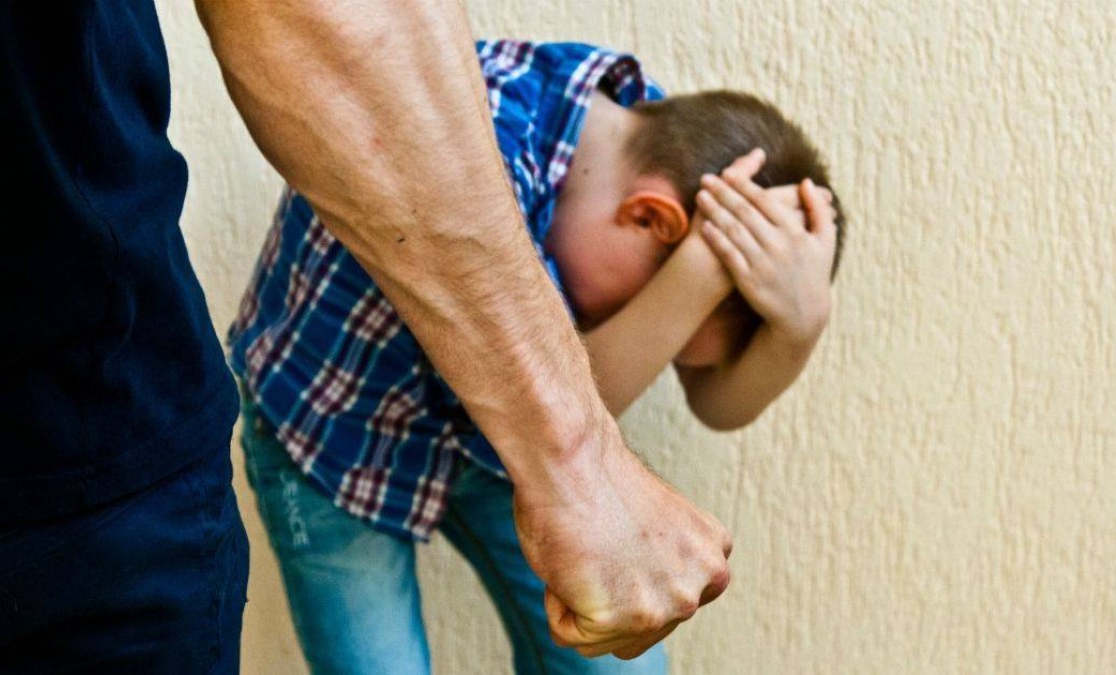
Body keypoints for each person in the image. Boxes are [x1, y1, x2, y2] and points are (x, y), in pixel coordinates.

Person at [0, 1, 737, 671]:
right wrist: (581, 456)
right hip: (322, 453)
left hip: (86, 426)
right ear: (655, 217)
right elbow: (331, 19)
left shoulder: (645, 130)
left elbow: (719, 388)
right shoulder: (503, 136)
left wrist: (791, 312)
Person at [230, 39, 842, 674]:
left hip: (507, 448)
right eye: (662, 314)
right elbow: (554, 402)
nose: (654, 333)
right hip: (329, 437)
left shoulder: (667, 153)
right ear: (650, 217)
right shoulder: (479, 149)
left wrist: (800, 326)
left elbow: (714, 404)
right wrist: (695, 275)